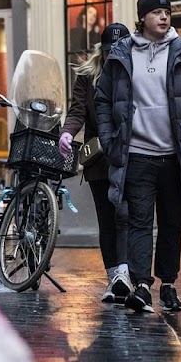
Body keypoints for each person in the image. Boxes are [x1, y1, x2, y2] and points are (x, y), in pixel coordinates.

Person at [96, 0, 181, 313]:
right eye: (156, 13)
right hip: (136, 154)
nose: (164, 17)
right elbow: (103, 100)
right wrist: (110, 139)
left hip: (175, 156)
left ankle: (168, 284)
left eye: (167, 12)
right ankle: (141, 286)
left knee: (172, 221)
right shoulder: (122, 54)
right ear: (143, 18)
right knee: (138, 220)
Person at [59, 23, 133, 303]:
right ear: (101, 52)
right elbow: (77, 109)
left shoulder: (136, 72)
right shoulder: (88, 76)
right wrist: (67, 132)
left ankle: (126, 275)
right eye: (109, 51)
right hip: (99, 157)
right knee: (107, 218)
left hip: (130, 154)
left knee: (125, 214)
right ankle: (114, 276)